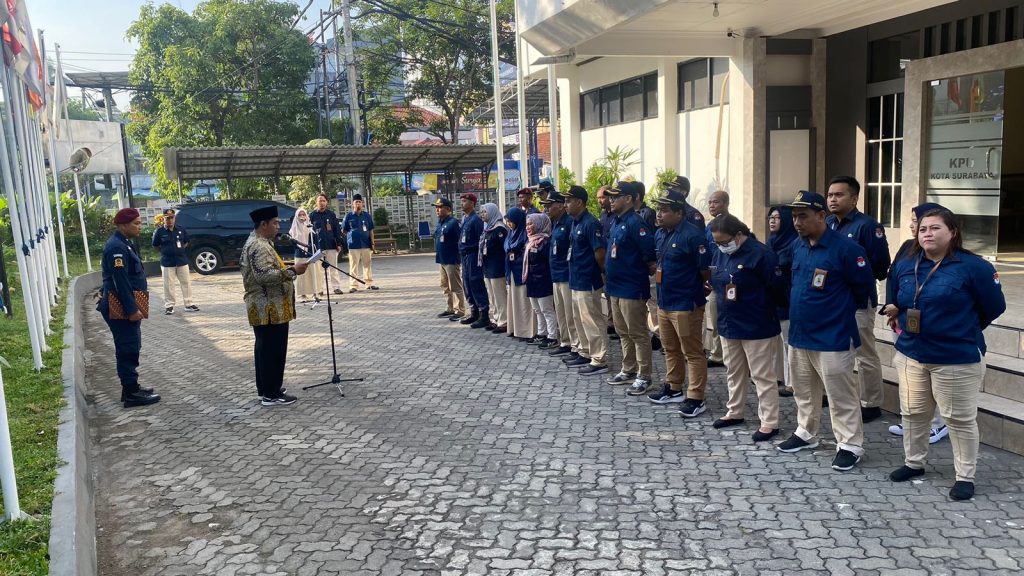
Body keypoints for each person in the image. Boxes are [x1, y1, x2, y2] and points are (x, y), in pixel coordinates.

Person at [882, 207, 1005, 500]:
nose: (927, 233)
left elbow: (994, 307)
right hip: (912, 352)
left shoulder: (974, 267)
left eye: (935, 228)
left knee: (958, 419)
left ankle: (965, 476)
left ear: (953, 233)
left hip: (955, 356)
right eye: (923, 228)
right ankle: (914, 462)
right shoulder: (907, 262)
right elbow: (897, 294)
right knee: (913, 413)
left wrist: (961, 326)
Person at [776, 191, 874, 472]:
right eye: (794, 217)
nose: (797, 222)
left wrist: (838, 315)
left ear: (822, 216)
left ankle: (850, 445)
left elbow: (862, 289)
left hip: (833, 336)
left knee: (840, 394)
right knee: (804, 392)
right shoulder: (799, 245)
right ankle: (806, 433)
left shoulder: (846, 249)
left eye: (803, 216)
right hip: (800, 334)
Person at [708, 215, 783, 442]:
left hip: (756, 323)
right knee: (733, 370)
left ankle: (769, 422)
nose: (721, 246)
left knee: (761, 375)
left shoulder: (761, 254)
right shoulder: (721, 252)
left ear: (739, 235)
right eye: (717, 243)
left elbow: (777, 288)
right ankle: (735, 411)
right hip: (729, 321)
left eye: (724, 241)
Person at [826, 175, 891, 422]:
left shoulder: (867, 226)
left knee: (864, 352)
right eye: (830, 195)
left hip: (858, 299)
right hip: (833, 301)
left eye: (839, 195)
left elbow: (881, 265)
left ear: (854, 198)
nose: (833, 199)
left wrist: (853, 276)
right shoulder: (828, 223)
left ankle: (871, 402)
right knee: (835, 348)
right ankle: (836, 393)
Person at [885, 203, 950, 444]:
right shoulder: (906, 248)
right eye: (916, 223)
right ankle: (914, 420)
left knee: (933, 380)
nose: (913, 225)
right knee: (911, 379)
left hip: (932, 328)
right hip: (904, 320)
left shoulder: (952, 258)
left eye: (917, 220)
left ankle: (938, 424)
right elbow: (895, 279)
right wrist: (893, 307)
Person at [646, 189, 710, 418]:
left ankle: (696, 397)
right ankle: (674, 388)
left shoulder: (693, 236)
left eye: (664, 210)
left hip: (685, 303)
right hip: (665, 301)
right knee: (670, 348)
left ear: (679, 213)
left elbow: (704, 270)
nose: (659, 214)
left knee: (692, 351)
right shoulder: (661, 233)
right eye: (658, 209)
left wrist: (690, 291)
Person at [241, 205, 309, 406]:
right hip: (268, 307)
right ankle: (271, 393)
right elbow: (263, 276)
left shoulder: (260, 242)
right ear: (263, 224)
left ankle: (267, 388)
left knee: (265, 349)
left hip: (268, 307)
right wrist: (292, 271)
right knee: (272, 350)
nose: (278, 226)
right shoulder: (259, 246)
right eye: (275, 223)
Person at [98, 208, 161, 408]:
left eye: (140, 223)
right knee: (127, 347)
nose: (139, 226)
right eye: (136, 223)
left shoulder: (124, 244)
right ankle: (131, 393)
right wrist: (132, 309)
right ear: (123, 225)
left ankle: (131, 387)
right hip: (123, 307)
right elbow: (121, 281)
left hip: (127, 303)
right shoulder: (116, 247)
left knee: (132, 345)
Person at [604, 181, 658, 389]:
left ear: (628, 199)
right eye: (610, 197)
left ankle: (644, 375)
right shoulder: (616, 221)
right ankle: (628, 369)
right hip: (615, 287)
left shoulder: (637, 223)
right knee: (623, 332)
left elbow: (650, 258)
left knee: (638, 333)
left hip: (631, 287)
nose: (611, 200)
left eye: (615, 197)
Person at [564, 185, 609, 372]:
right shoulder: (575, 221)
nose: (565, 204)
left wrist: (599, 272)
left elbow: (599, 252)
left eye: (568, 201)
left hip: (588, 278)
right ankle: (585, 352)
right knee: (579, 318)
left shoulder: (591, 223)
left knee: (592, 320)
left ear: (579, 202)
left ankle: (599, 359)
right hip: (576, 278)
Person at [541, 191, 578, 356]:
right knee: (561, 312)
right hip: (556, 274)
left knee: (570, 314)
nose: (547, 208)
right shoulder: (555, 223)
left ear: (561, 205)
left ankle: (575, 345)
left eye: (550, 205)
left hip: (566, 274)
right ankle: (565, 341)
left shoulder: (569, 222)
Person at [766, 206, 798, 398]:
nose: (772, 220)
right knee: (776, 342)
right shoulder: (771, 242)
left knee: (788, 342)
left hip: (787, 298)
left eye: (777, 217)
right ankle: (778, 376)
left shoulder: (794, 243)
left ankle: (792, 383)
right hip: (773, 297)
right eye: (771, 217)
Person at [152, 208, 198, 315]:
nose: (170, 220)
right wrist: (165, 251)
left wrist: (180, 249)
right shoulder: (159, 232)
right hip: (167, 262)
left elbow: (186, 242)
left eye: (172, 218)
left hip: (181, 260)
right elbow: (155, 245)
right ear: (163, 218)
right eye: (167, 218)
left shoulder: (181, 229)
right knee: (168, 284)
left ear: (175, 218)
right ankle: (169, 306)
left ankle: (189, 304)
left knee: (186, 283)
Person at [703, 190, 730, 367]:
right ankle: (717, 354)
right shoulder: (709, 226)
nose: (712, 205)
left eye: (716, 202)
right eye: (710, 202)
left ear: (726, 204)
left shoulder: (732, 224)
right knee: (715, 317)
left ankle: (726, 355)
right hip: (712, 280)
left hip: (728, 281)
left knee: (726, 320)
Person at [524, 212, 558, 347]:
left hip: (543, 281)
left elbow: (549, 262)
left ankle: (552, 337)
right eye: (526, 224)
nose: (528, 227)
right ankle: (541, 333)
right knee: (537, 310)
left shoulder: (545, 242)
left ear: (539, 224)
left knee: (547, 310)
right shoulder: (530, 241)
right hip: (532, 281)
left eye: (530, 224)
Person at [457, 193, 490, 327]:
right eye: (462, 201)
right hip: (464, 256)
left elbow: (480, 239)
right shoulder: (465, 219)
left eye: (464, 201)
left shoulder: (476, 220)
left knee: (475, 282)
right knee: (467, 284)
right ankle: (474, 311)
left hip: (473, 254)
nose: (462, 203)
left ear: (472, 203)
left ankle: (484, 314)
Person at [504, 207, 535, 340]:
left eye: (511, 221)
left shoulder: (525, 234)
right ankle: (516, 329)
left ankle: (526, 331)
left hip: (522, 271)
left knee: (524, 303)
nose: (509, 224)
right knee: (515, 301)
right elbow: (506, 246)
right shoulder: (511, 233)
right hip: (512, 271)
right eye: (508, 221)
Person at [433, 197, 466, 319]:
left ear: (448, 209)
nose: (437, 210)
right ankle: (450, 308)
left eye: (440, 207)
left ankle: (460, 310)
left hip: (452, 260)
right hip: (442, 259)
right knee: (445, 286)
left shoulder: (453, 223)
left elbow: (460, 241)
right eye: (436, 207)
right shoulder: (441, 222)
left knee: (455, 286)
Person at [479, 203, 509, 333]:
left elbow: (504, 249)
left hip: (497, 267)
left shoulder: (500, 229)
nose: (482, 215)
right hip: (488, 267)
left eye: (485, 212)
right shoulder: (487, 228)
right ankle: (496, 319)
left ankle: (504, 321)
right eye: (482, 212)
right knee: (492, 296)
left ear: (492, 212)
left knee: (500, 295)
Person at [309, 193, 345, 295]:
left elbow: (337, 230)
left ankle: (336, 287)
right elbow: (309, 232)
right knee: (319, 270)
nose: (322, 203)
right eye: (319, 201)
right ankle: (320, 289)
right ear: (316, 202)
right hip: (318, 246)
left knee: (333, 267)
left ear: (327, 202)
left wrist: (338, 243)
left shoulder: (331, 215)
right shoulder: (312, 215)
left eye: (323, 201)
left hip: (331, 244)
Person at [341, 193, 378, 292]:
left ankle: (369, 283)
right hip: (353, 245)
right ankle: (353, 285)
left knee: (367, 265)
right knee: (353, 266)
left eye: (359, 202)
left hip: (366, 244)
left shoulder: (367, 216)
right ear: (353, 204)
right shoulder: (348, 216)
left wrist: (373, 243)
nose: (358, 204)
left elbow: (371, 230)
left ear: (362, 203)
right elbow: (343, 231)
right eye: (356, 202)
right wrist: (349, 239)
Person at [596, 185, 617, 340]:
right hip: (603, 259)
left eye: (602, 197)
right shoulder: (603, 215)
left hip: (614, 261)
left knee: (614, 295)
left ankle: (616, 324)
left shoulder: (617, 216)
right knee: (608, 293)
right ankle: (611, 322)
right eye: (598, 198)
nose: (600, 201)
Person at [289, 208, 320, 301]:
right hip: (300, 255)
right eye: (300, 215)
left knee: (313, 274)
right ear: (297, 216)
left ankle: (315, 293)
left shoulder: (310, 227)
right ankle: (303, 295)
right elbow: (292, 243)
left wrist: (316, 251)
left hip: (310, 254)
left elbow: (316, 240)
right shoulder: (293, 229)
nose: (302, 217)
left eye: (303, 215)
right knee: (302, 277)